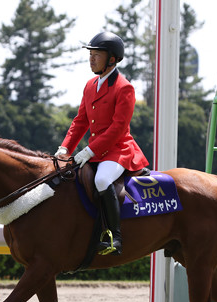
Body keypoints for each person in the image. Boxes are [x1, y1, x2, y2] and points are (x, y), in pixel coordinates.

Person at [55, 31, 149, 255]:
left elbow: (118, 128)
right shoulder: (90, 85)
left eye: (97, 55)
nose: (91, 59)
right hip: (95, 151)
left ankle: (114, 237)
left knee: (102, 179)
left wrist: (89, 150)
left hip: (118, 150)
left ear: (112, 59)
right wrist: (65, 147)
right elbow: (81, 121)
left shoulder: (124, 87)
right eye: (91, 55)